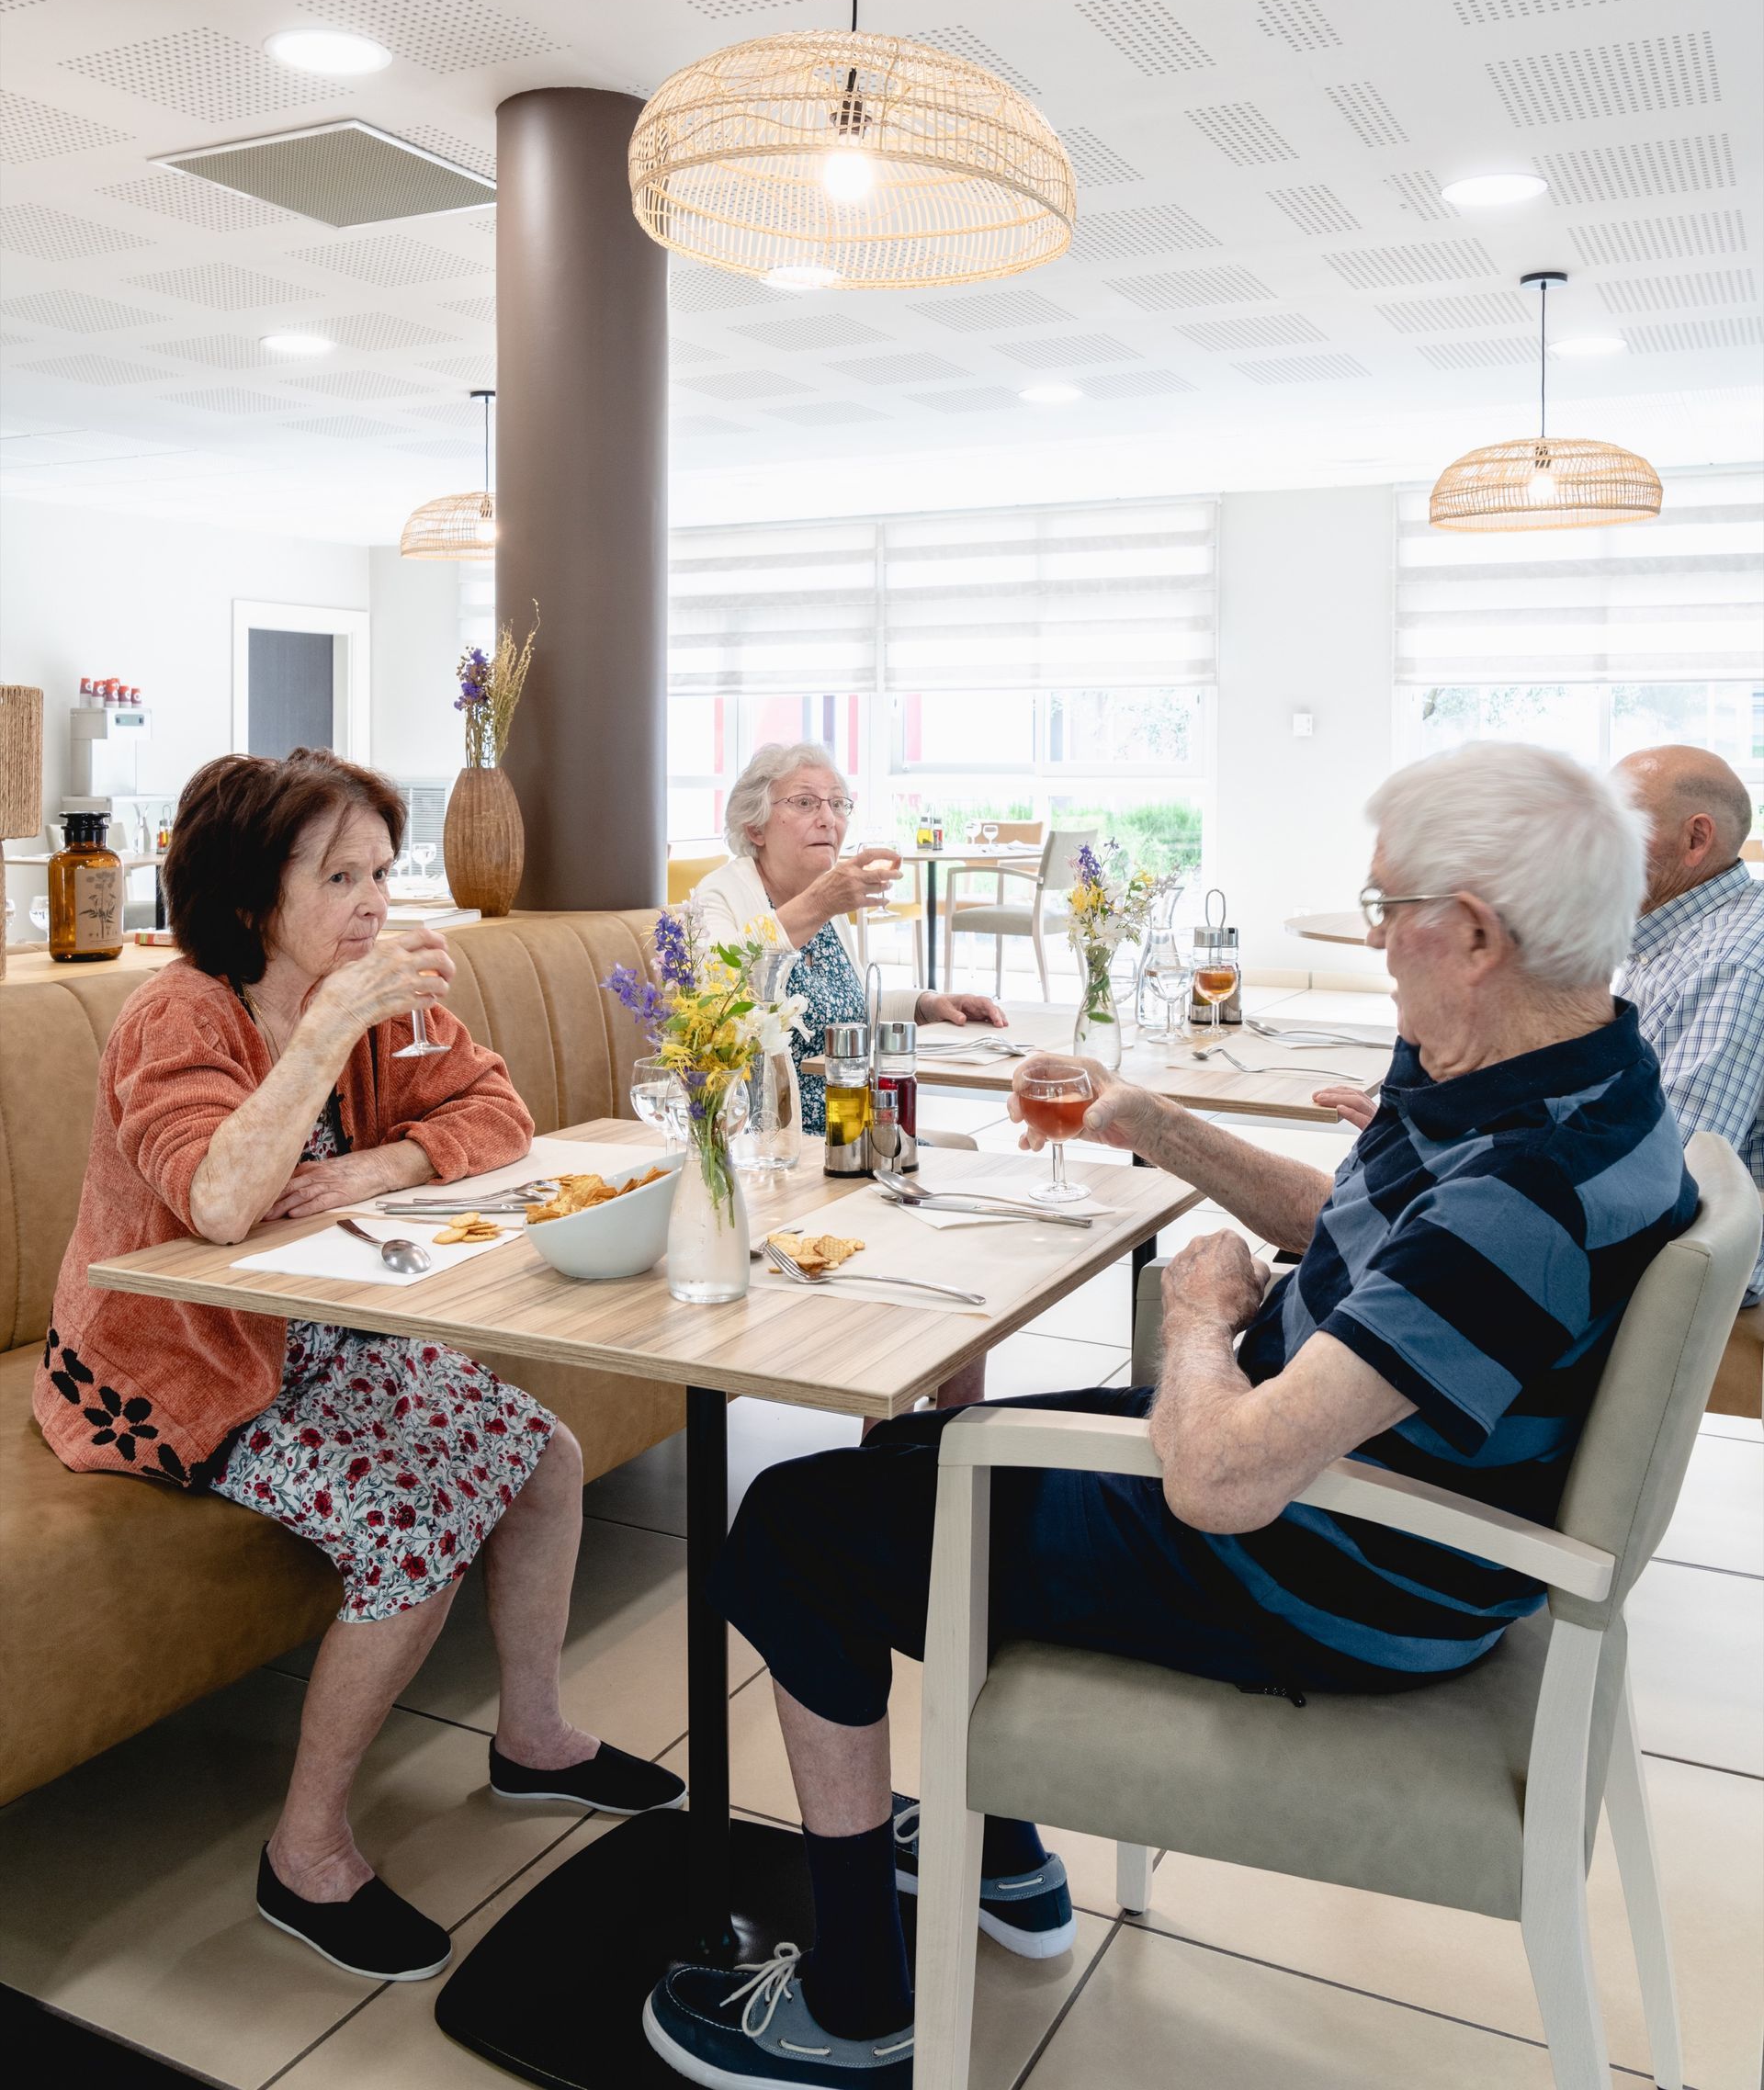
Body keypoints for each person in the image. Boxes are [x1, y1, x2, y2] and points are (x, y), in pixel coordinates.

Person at [640, 741, 1698, 2088]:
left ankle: (854, 2008)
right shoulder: (1567, 1080)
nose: (1376, 948)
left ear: (1476, 934)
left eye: (1385, 915)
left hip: (1328, 1560)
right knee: (912, 1460)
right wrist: (1153, 1124)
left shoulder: (1522, 1191)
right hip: (1367, 1488)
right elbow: (1367, 1237)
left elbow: (1220, 1477)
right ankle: (999, 1854)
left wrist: (1199, 1316)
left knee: (794, 1524)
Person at [36, 750, 683, 1984]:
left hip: (321, 1333)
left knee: (545, 1458)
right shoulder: (179, 1013)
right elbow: (220, 1204)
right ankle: (306, 1850)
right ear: (246, 899)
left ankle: (534, 1738)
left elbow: (498, 1114)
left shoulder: (383, 995)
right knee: (413, 1520)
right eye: (340, 876)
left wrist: (384, 1166)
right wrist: (330, 1023)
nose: (377, 902)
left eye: (384, 870)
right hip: (179, 1364)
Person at [1316, 743, 1762, 1318]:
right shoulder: (1678, 938)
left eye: (1619, 825)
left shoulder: (1733, 963)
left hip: (1677, 1279)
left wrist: (1469, 1158)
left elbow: (1659, 1177)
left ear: (1696, 840)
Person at [694, 741, 1008, 1137]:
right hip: (777, 1142)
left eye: (838, 804)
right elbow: (719, 991)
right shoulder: (722, 893)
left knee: (965, 1159)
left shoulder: (823, 898)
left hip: (855, 1128)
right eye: (806, 802)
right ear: (755, 827)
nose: (828, 819)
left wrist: (927, 1005)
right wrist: (820, 901)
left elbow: (851, 1008)